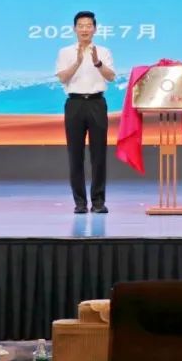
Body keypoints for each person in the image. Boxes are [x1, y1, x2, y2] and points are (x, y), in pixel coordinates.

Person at [55, 11, 116, 214]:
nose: (84, 29)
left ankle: (98, 202)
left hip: (97, 103)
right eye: (81, 26)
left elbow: (111, 77)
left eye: (88, 25)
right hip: (75, 104)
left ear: (95, 29)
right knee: (75, 154)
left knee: (99, 155)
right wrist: (77, 62)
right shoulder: (65, 52)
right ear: (74, 29)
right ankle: (80, 202)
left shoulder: (103, 51)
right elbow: (62, 78)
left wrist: (97, 62)